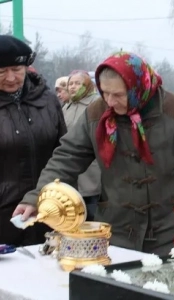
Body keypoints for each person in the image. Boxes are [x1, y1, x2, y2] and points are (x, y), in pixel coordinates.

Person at [13, 52, 174, 255]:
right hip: (116, 232)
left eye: (118, 95)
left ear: (139, 87)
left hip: (172, 232)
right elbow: (67, 157)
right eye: (105, 93)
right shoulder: (96, 114)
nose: (110, 101)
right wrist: (37, 197)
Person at [0, 35, 67, 246]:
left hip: (49, 209)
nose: (11, 78)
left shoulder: (47, 100)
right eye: (2, 71)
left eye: (17, 70)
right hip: (4, 212)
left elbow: (64, 151)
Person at [64, 70, 101, 221]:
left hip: (91, 166)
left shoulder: (96, 104)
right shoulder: (66, 107)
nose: (73, 87)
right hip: (69, 162)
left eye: (78, 83)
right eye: (70, 83)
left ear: (87, 85)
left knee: (90, 208)